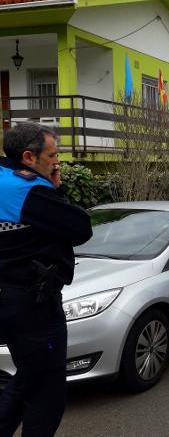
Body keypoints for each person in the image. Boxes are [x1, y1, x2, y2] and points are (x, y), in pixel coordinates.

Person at [0, 124, 92, 436]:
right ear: (28, 157)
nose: (57, 162)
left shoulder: (3, 177)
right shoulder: (28, 191)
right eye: (52, 155)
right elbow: (80, 228)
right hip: (33, 307)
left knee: (27, 376)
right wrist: (56, 188)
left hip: (10, 301)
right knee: (47, 395)